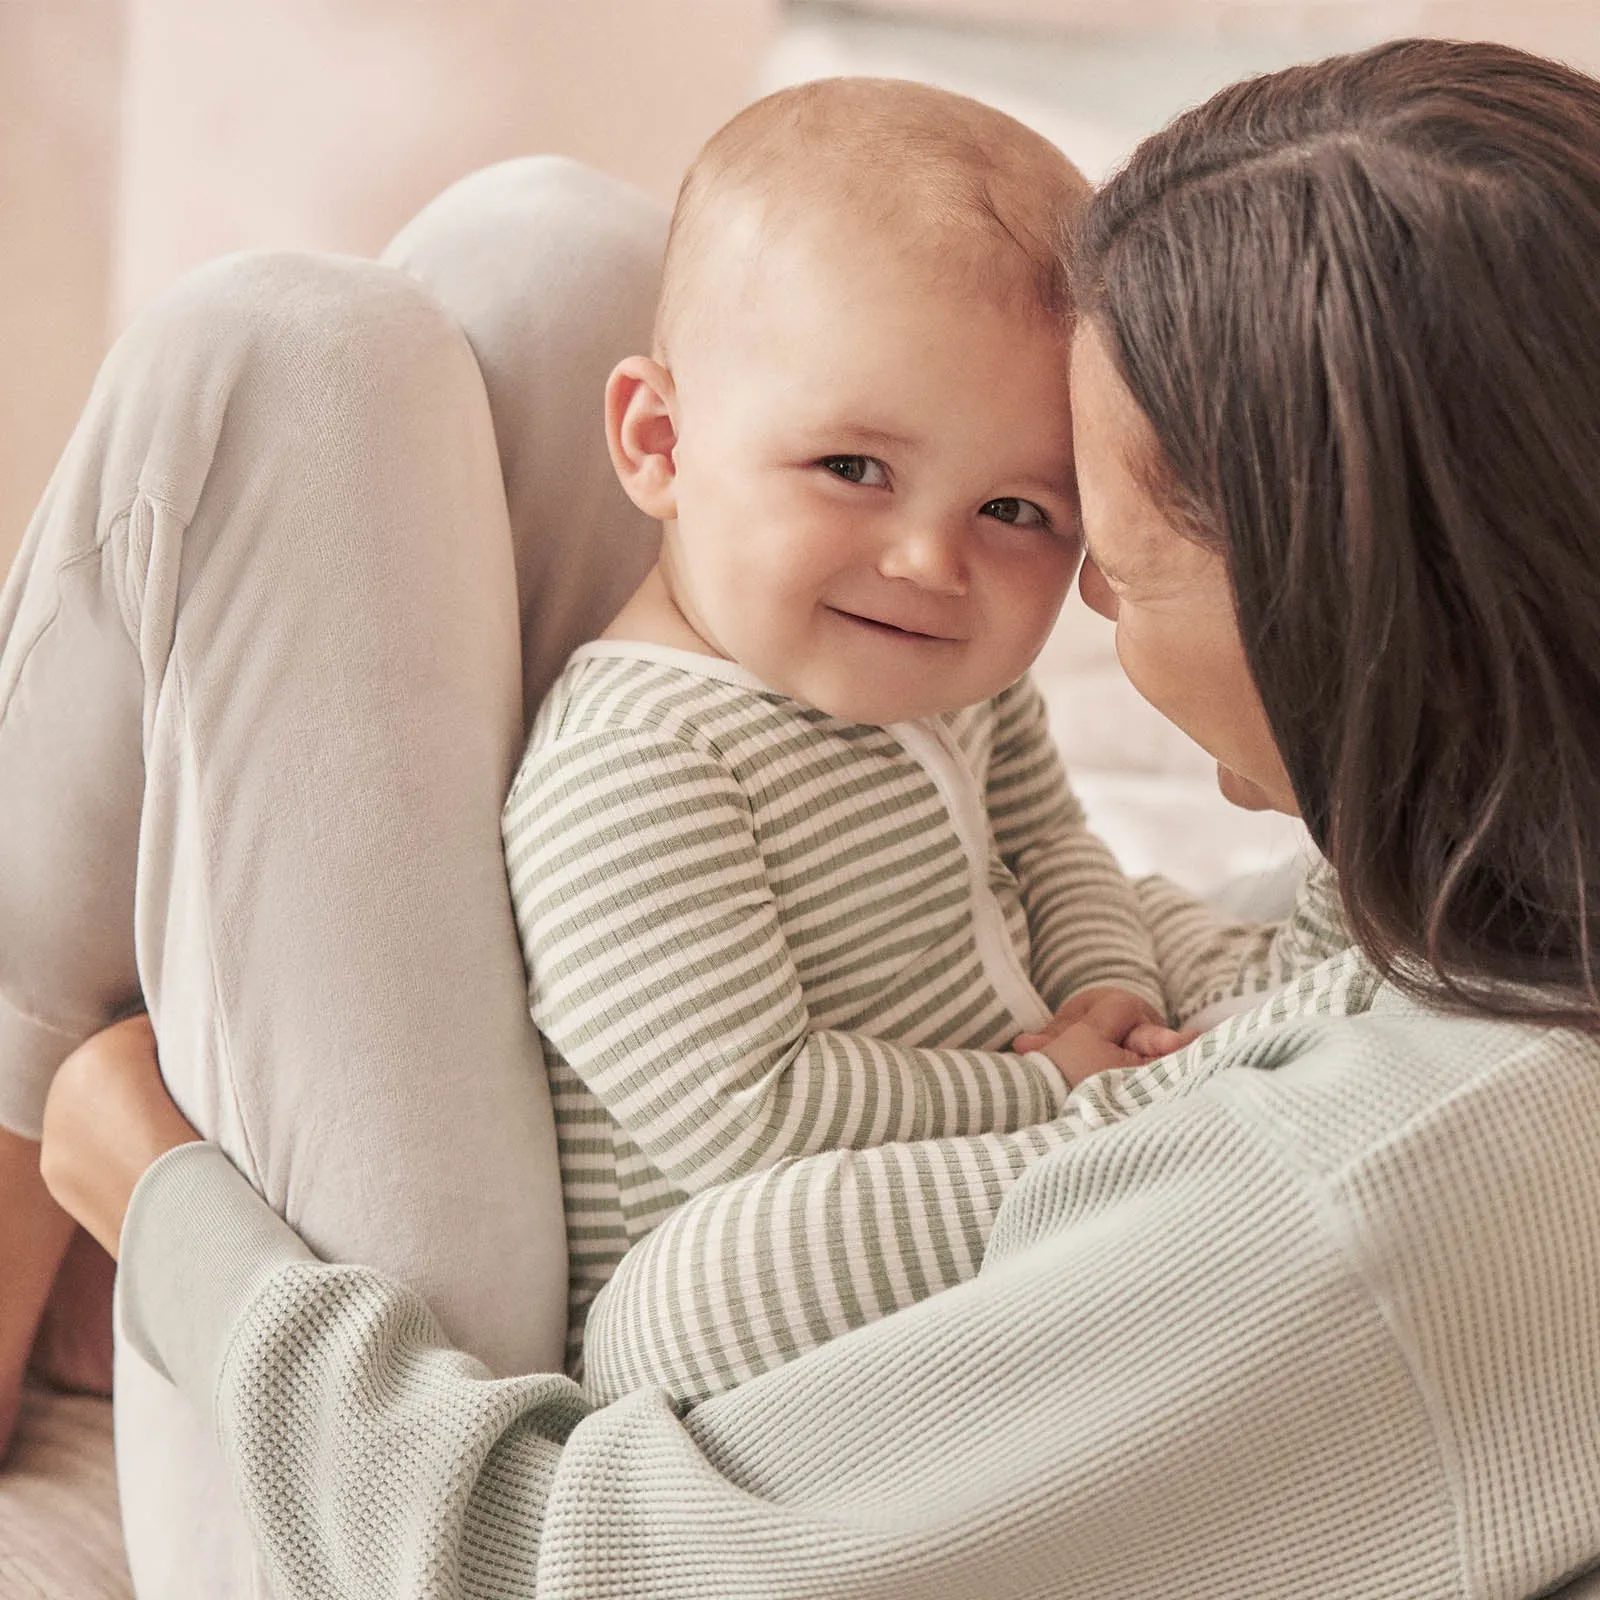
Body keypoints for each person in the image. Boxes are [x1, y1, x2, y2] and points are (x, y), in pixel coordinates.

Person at [22, 33, 1600, 1599]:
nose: (1085, 592)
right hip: (781, 1177)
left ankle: (25, 1111)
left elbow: (573, 1550)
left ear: (1342, 602)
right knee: (562, 254)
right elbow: (1218, 968)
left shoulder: (1371, 1208)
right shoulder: (1513, 926)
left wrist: (154, 1196)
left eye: (1059, 521)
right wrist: (1111, 1002)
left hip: (486, 1504)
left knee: (274, 359)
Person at [510, 78, 1236, 1378]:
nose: (930, 563)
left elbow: (1054, 848)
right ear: (661, 441)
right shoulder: (640, 765)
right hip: (761, 1297)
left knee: (1209, 934)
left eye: (1016, 510)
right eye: (854, 471)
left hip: (994, 1142)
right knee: (735, 1269)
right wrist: (1055, 1083)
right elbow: (747, 1115)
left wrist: (1106, 987)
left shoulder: (958, 681)